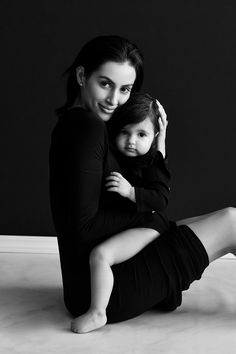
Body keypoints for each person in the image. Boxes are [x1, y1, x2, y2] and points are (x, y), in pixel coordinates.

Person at [49, 35, 236, 334]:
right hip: (106, 289)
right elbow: (81, 228)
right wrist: (153, 219)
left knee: (214, 223)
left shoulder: (79, 125)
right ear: (82, 76)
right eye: (105, 83)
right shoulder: (88, 129)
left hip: (96, 280)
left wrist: (158, 148)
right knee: (231, 222)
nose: (114, 100)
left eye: (125, 89)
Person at [71, 93, 171, 333]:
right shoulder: (115, 155)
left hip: (149, 225)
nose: (131, 141)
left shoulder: (152, 162)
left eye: (141, 134)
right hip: (129, 223)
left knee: (101, 256)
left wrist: (130, 192)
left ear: (154, 136)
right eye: (125, 132)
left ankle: (98, 313)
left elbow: (161, 198)